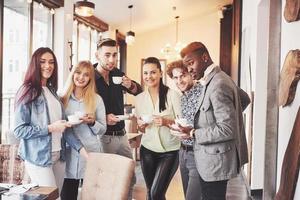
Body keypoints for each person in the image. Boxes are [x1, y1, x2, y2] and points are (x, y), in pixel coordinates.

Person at [176, 42, 249, 200]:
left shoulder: (218, 83)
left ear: (204, 57)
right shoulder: (217, 78)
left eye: (191, 63)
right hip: (211, 160)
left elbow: (227, 129)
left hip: (215, 163)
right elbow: (244, 99)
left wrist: (194, 133)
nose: (189, 69)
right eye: (186, 65)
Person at [14, 47, 84, 198]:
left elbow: (64, 126)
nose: (48, 66)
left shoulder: (52, 91)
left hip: (59, 155)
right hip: (38, 157)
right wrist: (50, 128)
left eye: (51, 62)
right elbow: (19, 130)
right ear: (35, 64)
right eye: (43, 62)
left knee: (54, 195)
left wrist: (81, 149)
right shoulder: (27, 91)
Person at [94, 38, 142, 200]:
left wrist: (130, 85)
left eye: (114, 55)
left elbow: (138, 90)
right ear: (97, 55)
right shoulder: (90, 77)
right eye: (107, 55)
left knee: (129, 177)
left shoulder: (118, 74)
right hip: (102, 137)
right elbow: (82, 106)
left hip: (122, 136)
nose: (112, 60)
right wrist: (102, 118)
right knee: (108, 181)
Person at [135, 57, 182, 200]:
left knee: (155, 193)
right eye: (145, 73)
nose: (149, 77)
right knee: (153, 192)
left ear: (160, 73)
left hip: (170, 152)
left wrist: (166, 121)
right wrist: (141, 126)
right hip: (147, 150)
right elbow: (141, 130)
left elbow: (182, 125)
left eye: (153, 72)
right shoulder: (139, 98)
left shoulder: (173, 95)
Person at [60, 61, 107, 200]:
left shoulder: (97, 100)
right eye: (78, 72)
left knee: (91, 197)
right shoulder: (62, 98)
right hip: (68, 154)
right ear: (73, 74)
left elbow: (102, 129)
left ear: (90, 79)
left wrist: (92, 122)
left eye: (86, 75)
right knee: (67, 196)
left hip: (90, 154)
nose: (81, 77)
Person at [166, 60, 203, 200]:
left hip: (198, 152)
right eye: (175, 77)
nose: (179, 81)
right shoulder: (182, 97)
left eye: (183, 75)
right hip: (183, 152)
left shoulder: (202, 92)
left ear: (191, 74)